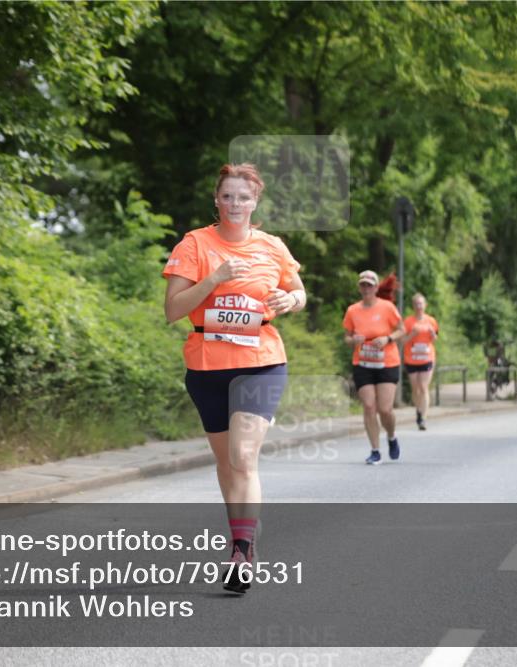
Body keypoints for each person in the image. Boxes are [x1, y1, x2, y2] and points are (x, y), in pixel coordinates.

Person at [163, 163, 304, 594]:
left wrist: (291, 298)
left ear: (255, 201)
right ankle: (242, 533)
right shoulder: (195, 244)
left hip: (261, 359)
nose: (235, 204)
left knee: (243, 456)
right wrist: (215, 278)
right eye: (228, 196)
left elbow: (297, 291)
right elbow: (172, 310)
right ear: (217, 200)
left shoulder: (272, 246)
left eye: (244, 197)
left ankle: (241, 550)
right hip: (206, 365)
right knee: (227, 464)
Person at [343, 270, 404, 464]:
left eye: (370, 285)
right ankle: (375, 450)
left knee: (385, 409)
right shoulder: (353, 310)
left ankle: (392, 436)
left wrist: (387, 338)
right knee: (369, 406)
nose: (366, 288)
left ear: (376, 287)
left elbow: (402, 329)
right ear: (359, 287)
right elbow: (346, 337)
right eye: (363, 285)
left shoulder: (387, 307)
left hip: (387, 362)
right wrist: (353, 340)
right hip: (363, 363)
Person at [402, 292, 438, 430]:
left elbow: (435, 340)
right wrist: (412, 334)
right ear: (413, 306)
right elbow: (402, 341)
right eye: (416, 304)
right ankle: (418, 410)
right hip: (411, 359)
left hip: (427, 357)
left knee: (423, 387)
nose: (419, 306)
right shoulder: (408, 322)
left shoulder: (431, 321)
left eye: (421, 303)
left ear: (425, 305)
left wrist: (432, 334)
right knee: (415, 389)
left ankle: (423, 418)